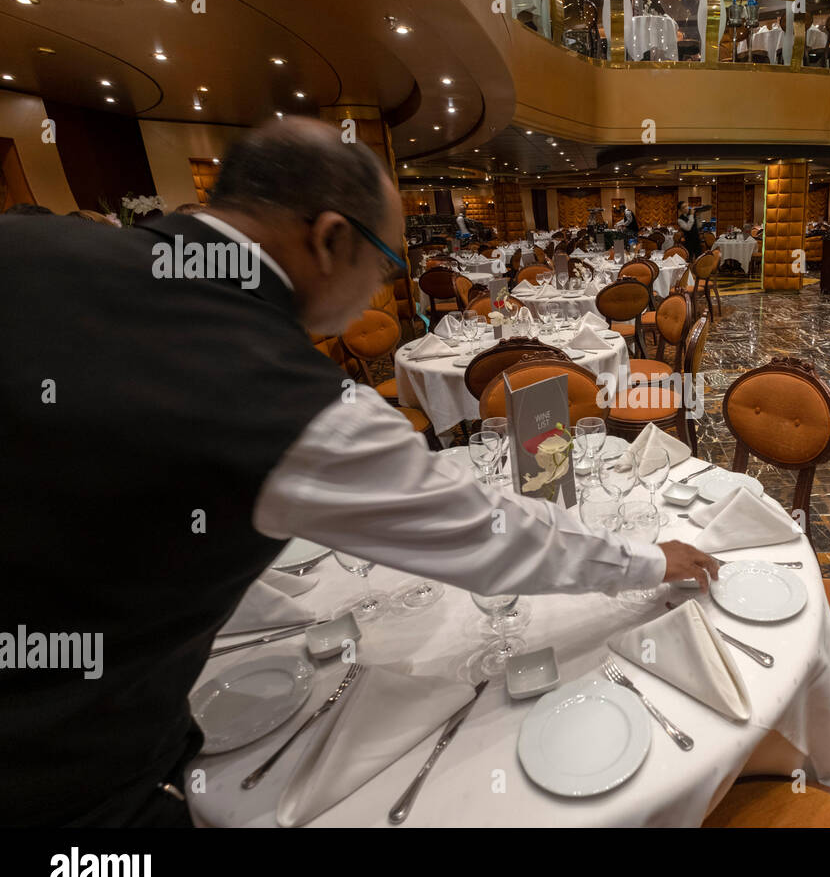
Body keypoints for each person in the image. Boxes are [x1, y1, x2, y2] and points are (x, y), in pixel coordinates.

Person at [0, 118, 719, 827]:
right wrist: (650, 561)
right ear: (331, 239)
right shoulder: (282, 397)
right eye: (383, 258)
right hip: (63, 779)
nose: (387, 279)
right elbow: (493, 538)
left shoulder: (28, 246)